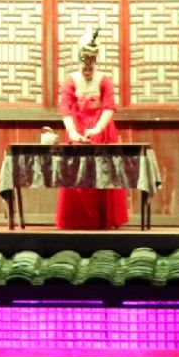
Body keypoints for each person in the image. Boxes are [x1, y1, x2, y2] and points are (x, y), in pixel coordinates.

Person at [55, 29, 130, 230]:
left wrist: (97, 128)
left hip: (101, 129)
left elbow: (109, 107)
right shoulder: (71, 80)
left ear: (95, 60)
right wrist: (72, 132)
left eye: (91, 62)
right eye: (84, 62)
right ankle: (77, 219)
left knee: (103, 172)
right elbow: (65, 107)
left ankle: (105, 218)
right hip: (77, 126)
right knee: (77, 174)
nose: (87, 66)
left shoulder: (104, 79)